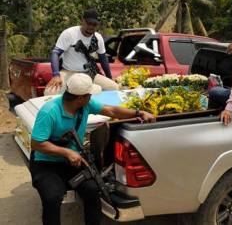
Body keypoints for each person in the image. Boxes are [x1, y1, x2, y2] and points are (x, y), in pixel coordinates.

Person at [30, 73, 155, 225]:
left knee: (92, 190)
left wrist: (139, 113)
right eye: (89, 94)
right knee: (52, 197)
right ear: (80, 98)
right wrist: (67, 152)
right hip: (46, 163)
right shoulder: (49, 112)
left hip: (73, 163)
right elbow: (37, 143)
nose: (91, 97)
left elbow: (112, 111)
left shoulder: (86, 105)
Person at [45, 9, 119, 95]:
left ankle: (97, 107)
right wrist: (56, 75)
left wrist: (109, 77)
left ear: (98, 25)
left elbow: (103, 59)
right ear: (82, 20)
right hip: (69, 72)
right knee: (50, 92)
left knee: (114, 88)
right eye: (88, 23)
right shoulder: (69, 33)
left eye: (94, 24)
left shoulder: (98, 38)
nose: (91, 27)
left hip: (89, 73)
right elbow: (55, 53)